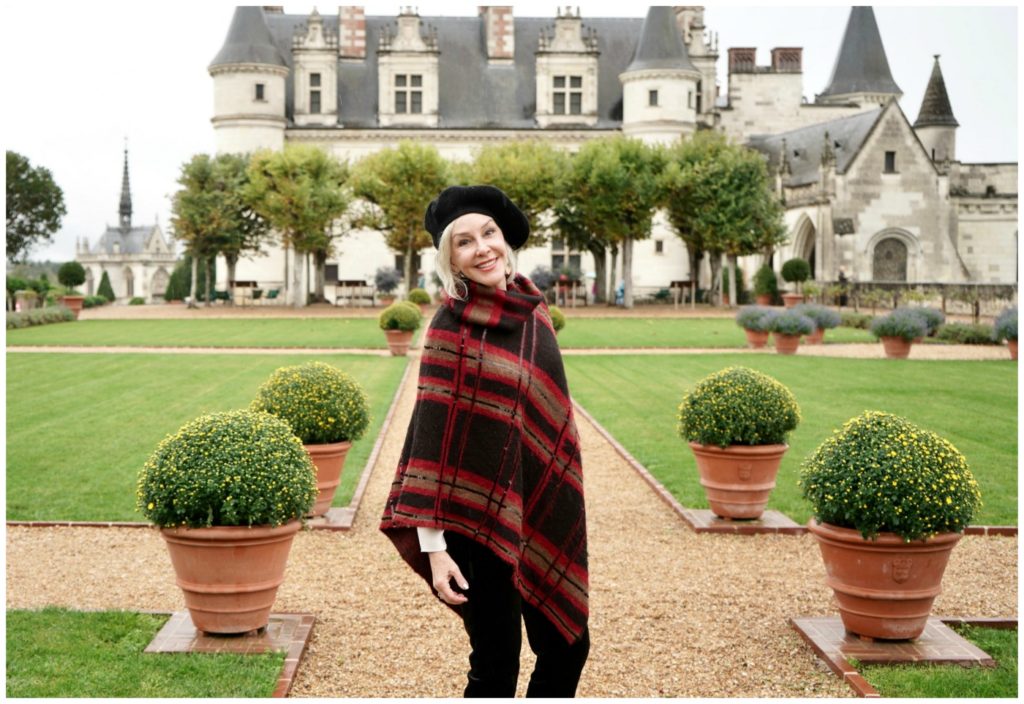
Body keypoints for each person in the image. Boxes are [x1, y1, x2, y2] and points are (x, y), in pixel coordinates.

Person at [380, 185, 590, 698]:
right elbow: (430, 445)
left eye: (489, 234)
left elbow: (548, 417)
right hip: (472, 525)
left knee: (568, 648)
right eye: (465, 241)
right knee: (496, 665)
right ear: (450, 257)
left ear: (504, 238)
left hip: (535, 509)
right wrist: (434, 551)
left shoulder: (533, 312)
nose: (483, 248)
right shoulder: (448, 329)